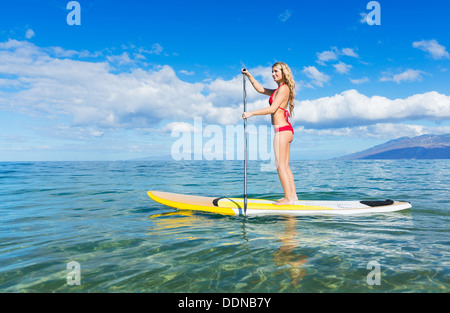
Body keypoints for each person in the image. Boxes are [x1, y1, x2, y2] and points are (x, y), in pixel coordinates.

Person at [242, 62, 298, 205]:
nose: (273, 74)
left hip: (282, 131)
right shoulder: (278, 90)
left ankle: (288, 199)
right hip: (286, 130)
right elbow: (260, 89)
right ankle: (292, 197)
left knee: (280, 166)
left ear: (283, 72)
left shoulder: (284, 89)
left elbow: (273, 109)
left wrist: (251, 113)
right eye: (272, 72)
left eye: (276, 71)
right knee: (285, 165)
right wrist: (249, 75)